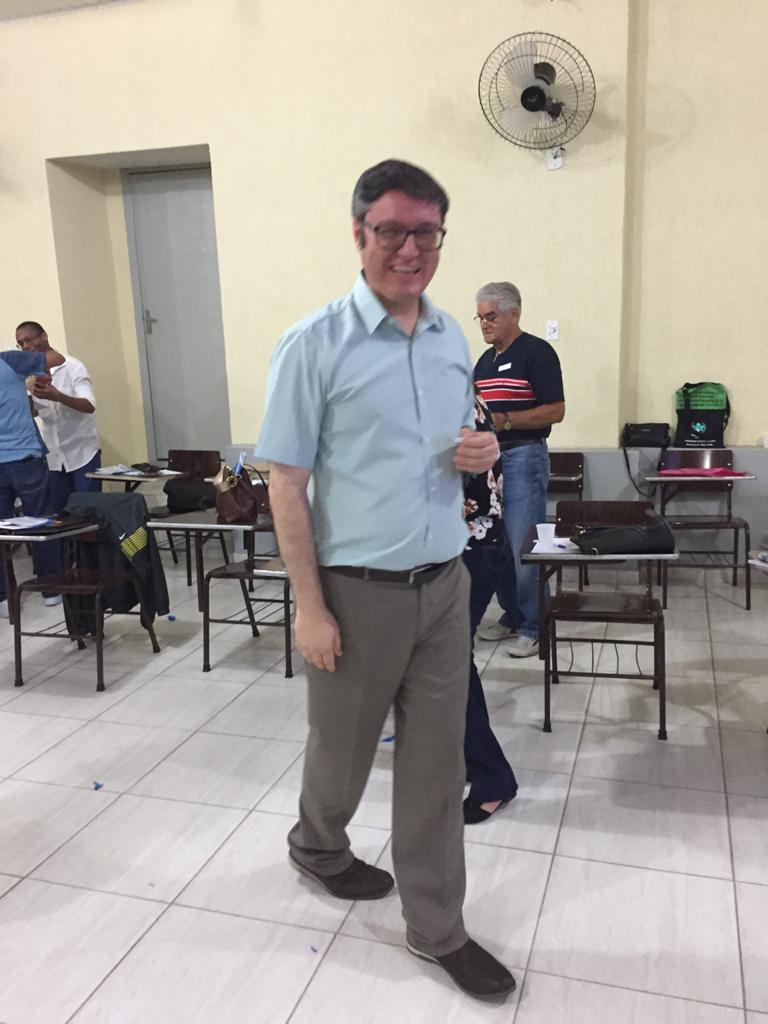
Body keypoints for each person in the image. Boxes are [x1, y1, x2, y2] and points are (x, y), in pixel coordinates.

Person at [256, 159, 515, 1001]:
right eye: (392, 231)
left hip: (445, 584)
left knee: (437, 766)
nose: (410, 249)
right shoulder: (313, 344)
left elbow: (458, 441)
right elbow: (286, 484)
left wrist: (479, 449)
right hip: (356, 590)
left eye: (426, 232)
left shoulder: (449, 338)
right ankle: (318, 845)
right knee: (343, 751)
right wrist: (310, 608)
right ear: (359, 233)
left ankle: (438, 928)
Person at [473, 282, 565, 658]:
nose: (484, 324)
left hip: (524, 456)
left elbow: (556, 410)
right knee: (497, 544)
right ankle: (512, 614)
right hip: (490, 463)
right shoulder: (484, 362)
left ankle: (534, 625)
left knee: (525, 546)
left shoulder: (537, 352)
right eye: (480, 317)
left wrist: (506, 420)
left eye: (491, 316)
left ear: (514, 313)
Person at [462, 392, 518, 823]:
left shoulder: (452, 399)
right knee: (446, 664)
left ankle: (493, 778)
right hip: (471, 548)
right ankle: (470, 760)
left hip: (471, 551)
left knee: (448, 665)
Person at [0, 343, 65, 618]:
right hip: (25, 457)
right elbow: (57, 358)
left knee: (0, 533)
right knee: (40, 522)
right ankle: (51, 590)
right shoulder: (10, 360)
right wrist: (29, 374)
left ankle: (4, 598)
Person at [16, 322, 102, 509]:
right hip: (53, 456)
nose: (25, 346)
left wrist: (58, 396)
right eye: (20, 343)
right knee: (59, 515)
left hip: (82, 453)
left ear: (44, 336)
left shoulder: (72, 366)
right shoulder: (29, 374)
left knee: (88, 511)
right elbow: (32, 413)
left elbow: (89, 406)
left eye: (29, 340)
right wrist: (23, 391)